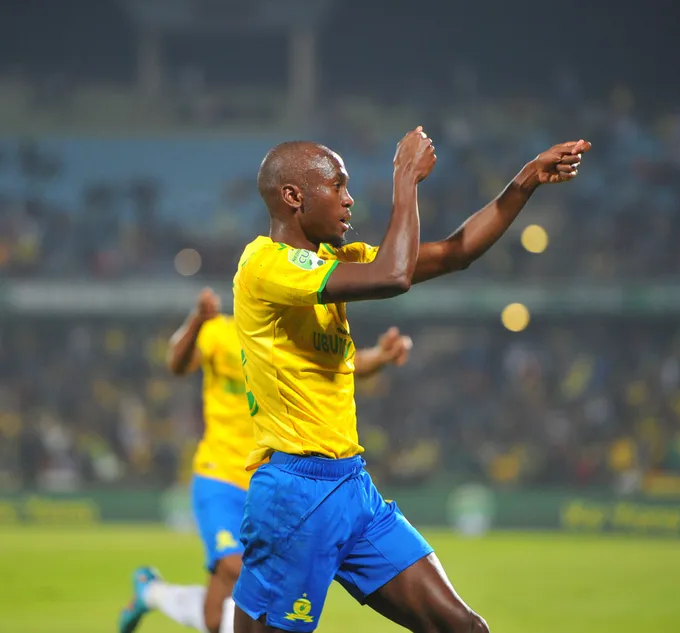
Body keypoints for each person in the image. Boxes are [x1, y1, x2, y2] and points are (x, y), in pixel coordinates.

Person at [232, 127, 591, 633]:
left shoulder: (333, 261)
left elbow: (455, 253)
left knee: (464, 628)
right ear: (293, 196)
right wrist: (405, 178)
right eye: (337, 186)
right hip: (295, 495)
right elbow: (393, 275)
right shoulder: (264, 265)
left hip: (352, 487)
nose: (349, 199)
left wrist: (528, 177)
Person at [118, 288, 413, 633]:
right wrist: (197, 319)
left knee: (215, 618)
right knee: (236, 567)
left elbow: (346, 365)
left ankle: (151, 592)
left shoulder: (292, 336)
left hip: (270, 486)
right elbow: (177, 363)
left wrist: (380, 355)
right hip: (219, 475)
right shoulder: (221, 332)